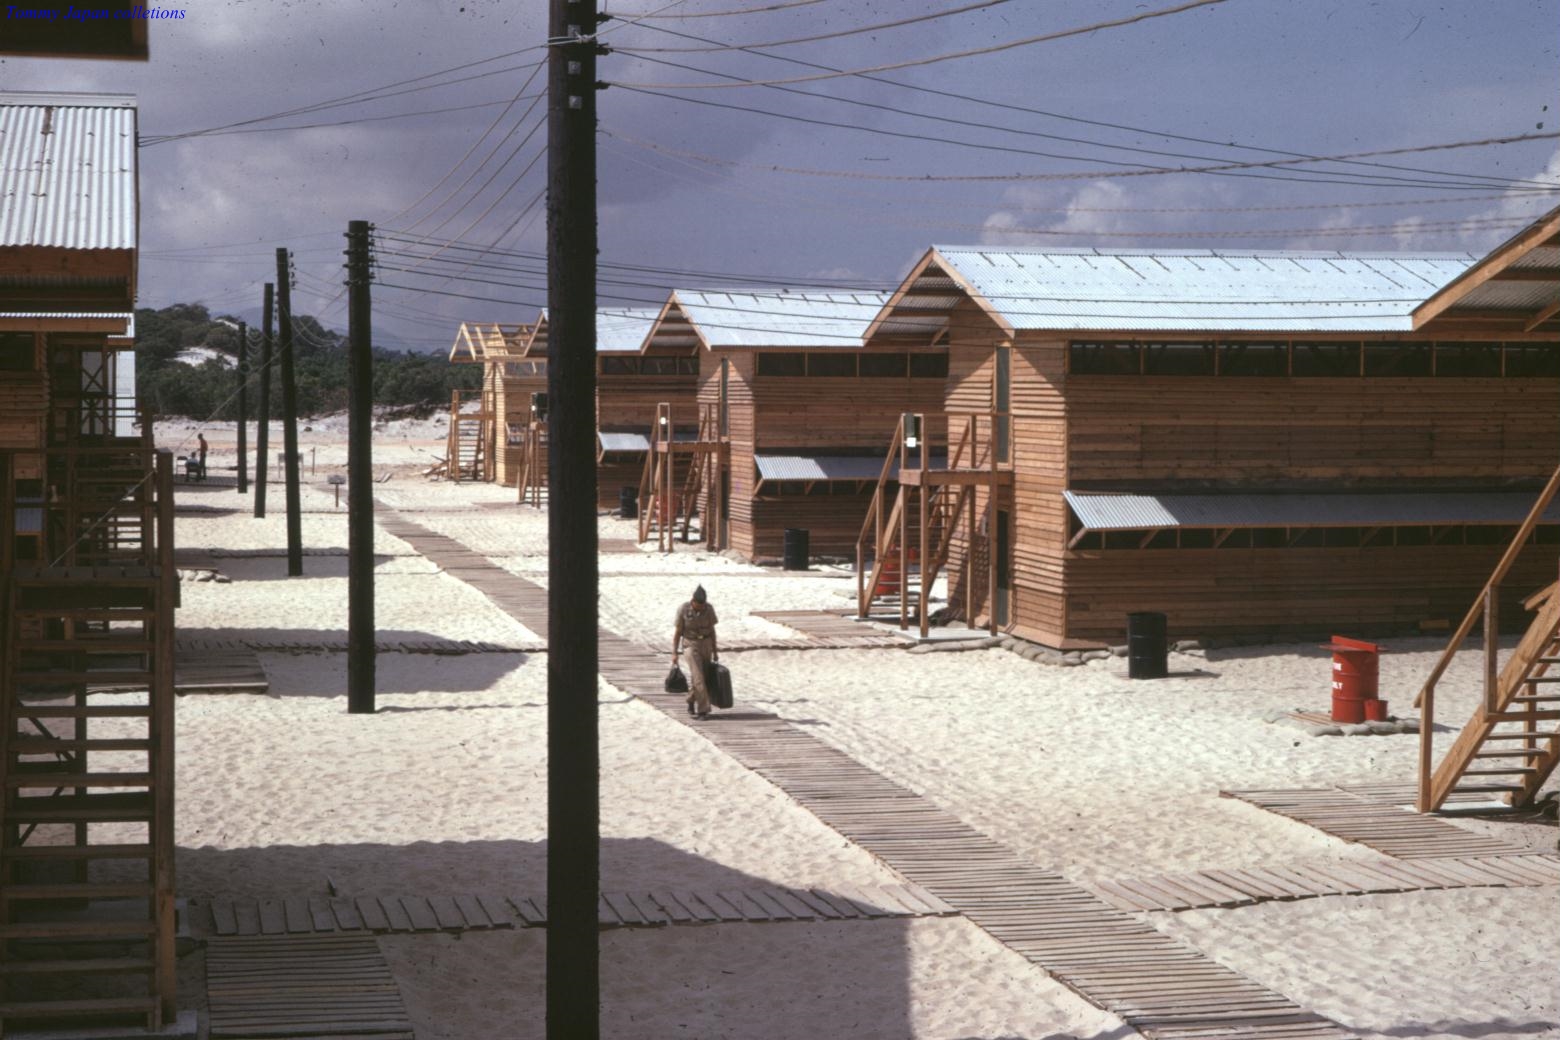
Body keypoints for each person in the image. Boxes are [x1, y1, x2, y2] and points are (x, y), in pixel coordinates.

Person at [672, 584, 719, 719]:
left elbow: (712, 631)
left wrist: (715, 651)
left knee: (702, 677)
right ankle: (703, 710)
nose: (702, 607)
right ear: (693, 601)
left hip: (706, 645)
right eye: (699, 605)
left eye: (703, 604)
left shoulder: (709, 609)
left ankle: (691, 700)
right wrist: (674, 653)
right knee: (698, 677)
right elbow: (678, 633)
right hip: (690, 645)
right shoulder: (683, 609)